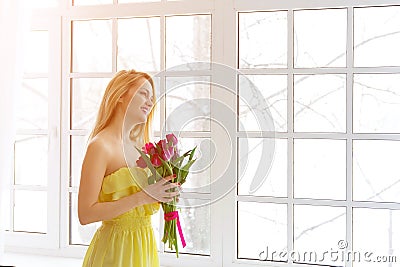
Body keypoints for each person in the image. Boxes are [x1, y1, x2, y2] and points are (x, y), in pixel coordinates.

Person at [78, 70, 180, 267]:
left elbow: (145, 202)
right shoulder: (100, 146)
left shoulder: (142, 146)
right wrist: (144, 196)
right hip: (115, 252)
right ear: (120, 95)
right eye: (143, 93)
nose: (150, 102)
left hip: (144, 247)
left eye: (152, 97)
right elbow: (85, 214)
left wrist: (166, 193)